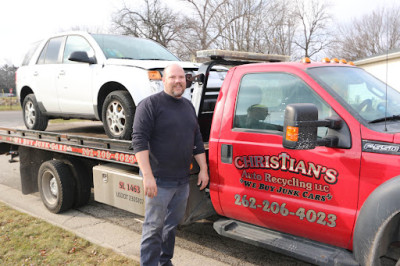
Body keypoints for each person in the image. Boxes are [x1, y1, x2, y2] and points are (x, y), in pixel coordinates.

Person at [131, 63, 209, 266]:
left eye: (181, 78)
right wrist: (147, 176)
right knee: (153, 227)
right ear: (163, 80)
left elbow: (197, 139)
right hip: (158, 180)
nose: (178, 81)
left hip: (181, 181)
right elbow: (139, 141)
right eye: (173, 77)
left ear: (186, 81)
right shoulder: (149, 105)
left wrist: (204, 169)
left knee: (170, 226)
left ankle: (165, 262)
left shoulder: (188, 106)